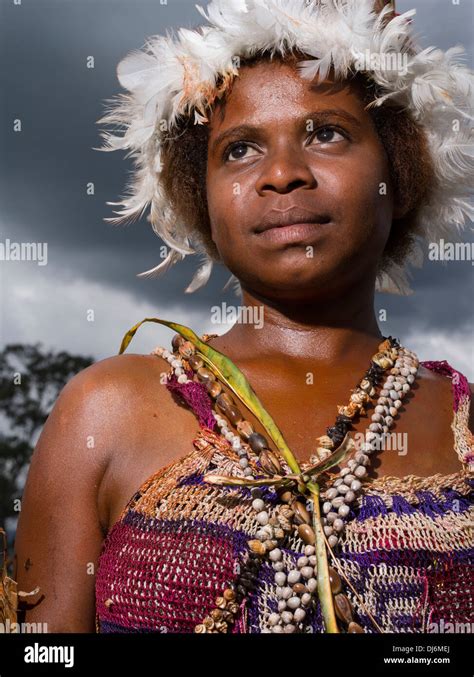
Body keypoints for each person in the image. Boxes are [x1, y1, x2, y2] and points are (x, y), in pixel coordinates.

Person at [13, 0, 473, 633]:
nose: (282, 175)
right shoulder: (107, 409)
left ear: (401, 170)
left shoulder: (462, 426)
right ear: (199, 196)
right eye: (240, 150)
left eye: (326, 133)